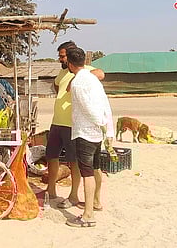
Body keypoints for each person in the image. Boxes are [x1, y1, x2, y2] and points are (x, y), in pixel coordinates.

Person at [45, 41, 105, 212]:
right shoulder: (63, 71)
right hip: (57, 121)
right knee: (51, 156)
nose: (60, 59)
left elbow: (100, 73)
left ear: (71, 56)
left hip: (73, 124)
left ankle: (73, 195)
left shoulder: (84, 70)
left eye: (62, 56)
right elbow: (57, 86)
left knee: (74, 161)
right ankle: (51, 190)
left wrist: (81, 76)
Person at [65, 47, 114, 228]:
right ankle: (95, 202)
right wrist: (107, 128)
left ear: (70, 64)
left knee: (87, 173)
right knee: (95, 169)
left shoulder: (78, 82)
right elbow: (104, 103)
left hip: (85, 133)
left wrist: (100, 123)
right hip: (96, 133)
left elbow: (89, 109)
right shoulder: (92, 79)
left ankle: (88, 215)